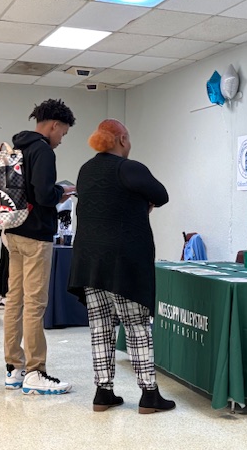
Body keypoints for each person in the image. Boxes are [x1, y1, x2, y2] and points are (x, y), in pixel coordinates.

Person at [68, 119, 175, 414]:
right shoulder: (129, 167)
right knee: (136, 326)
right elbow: (162, 195)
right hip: (123, 263)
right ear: (121, 139)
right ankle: (149, 395)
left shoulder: (86, 169)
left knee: (101, 327)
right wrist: (142, 203)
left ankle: (103, 393)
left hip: (89, 261)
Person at [3, 99, 75, 395]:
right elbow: (45, 195)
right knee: (35, 304)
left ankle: (14, 369)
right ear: (54, 125)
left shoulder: (19, 146)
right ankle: (36, 371)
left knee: (14, 300)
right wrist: (64, 190)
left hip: (13, 232)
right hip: (36, 236)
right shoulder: (43, 150)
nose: (61, 139)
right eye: (63, 133)